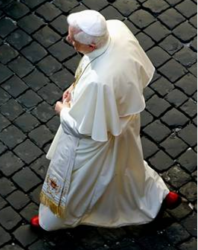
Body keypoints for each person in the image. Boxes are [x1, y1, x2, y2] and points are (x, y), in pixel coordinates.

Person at [30, 10, 181, 231]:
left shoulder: (98, 83)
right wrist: (75, 88)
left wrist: (62, 109)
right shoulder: (116, 28)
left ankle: (53, 221)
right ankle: (156, 195)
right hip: (125, 119)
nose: (68, 39)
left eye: (72, 39)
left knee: (77, 180)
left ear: (90, 47)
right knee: (128, 163)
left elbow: (81, 129)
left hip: (97, 135)